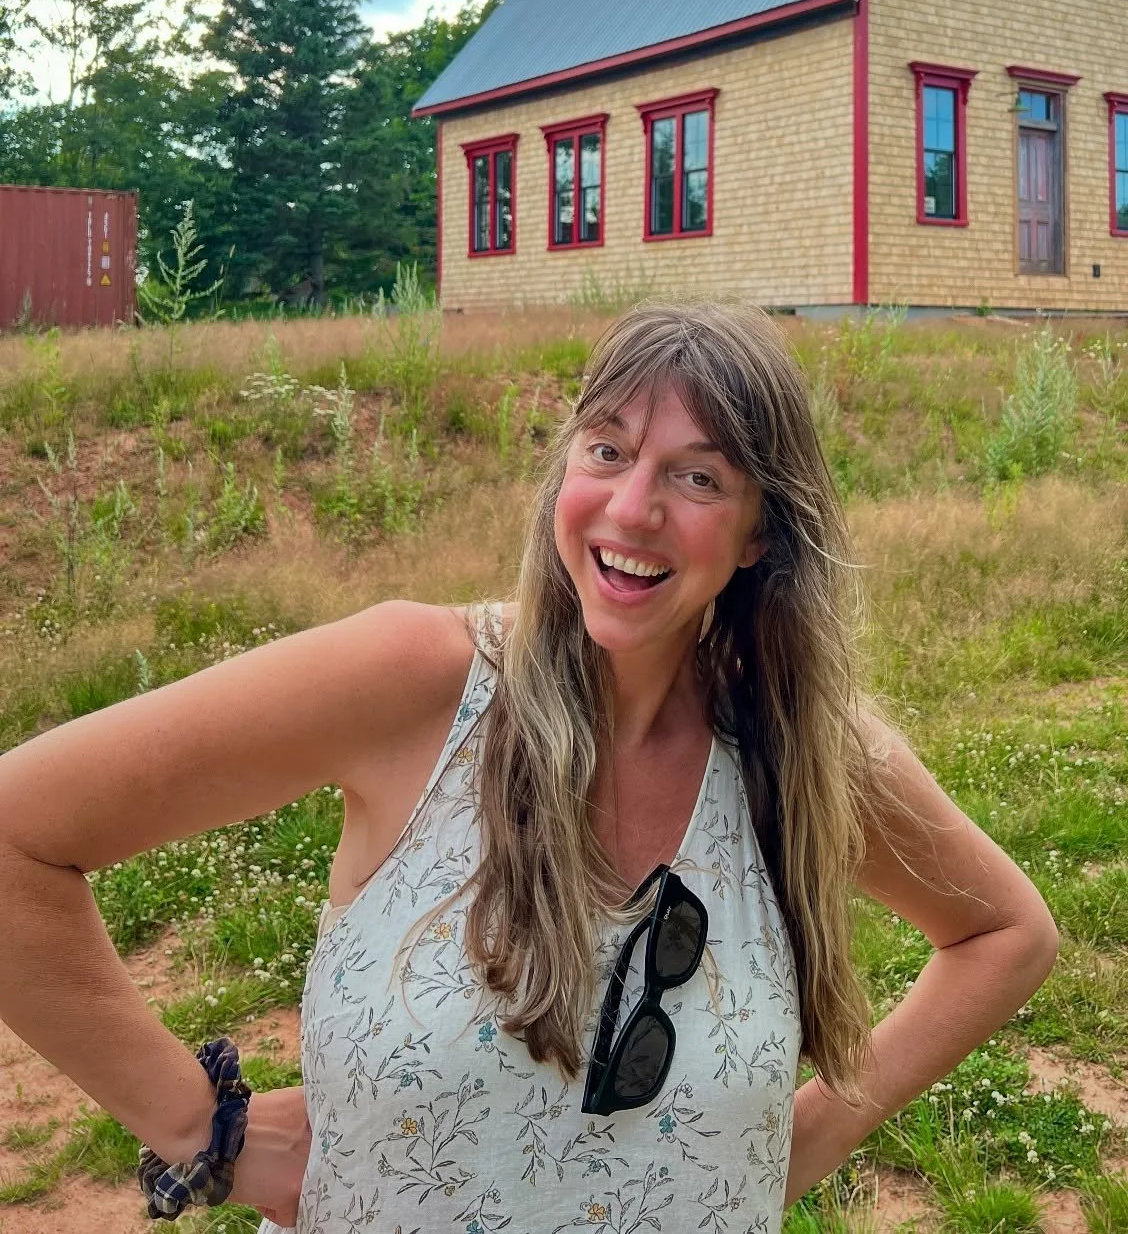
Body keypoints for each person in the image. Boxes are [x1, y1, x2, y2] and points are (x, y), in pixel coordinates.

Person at [0, 302, 1057, 1233]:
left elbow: (1005, 935)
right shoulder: (415, 681)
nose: (631, 508)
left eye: (697, 476)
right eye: (607, 449)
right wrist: (200, 1125)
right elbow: (17, 835)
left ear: (757, 537)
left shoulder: (799, 743)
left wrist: (806, 1141)